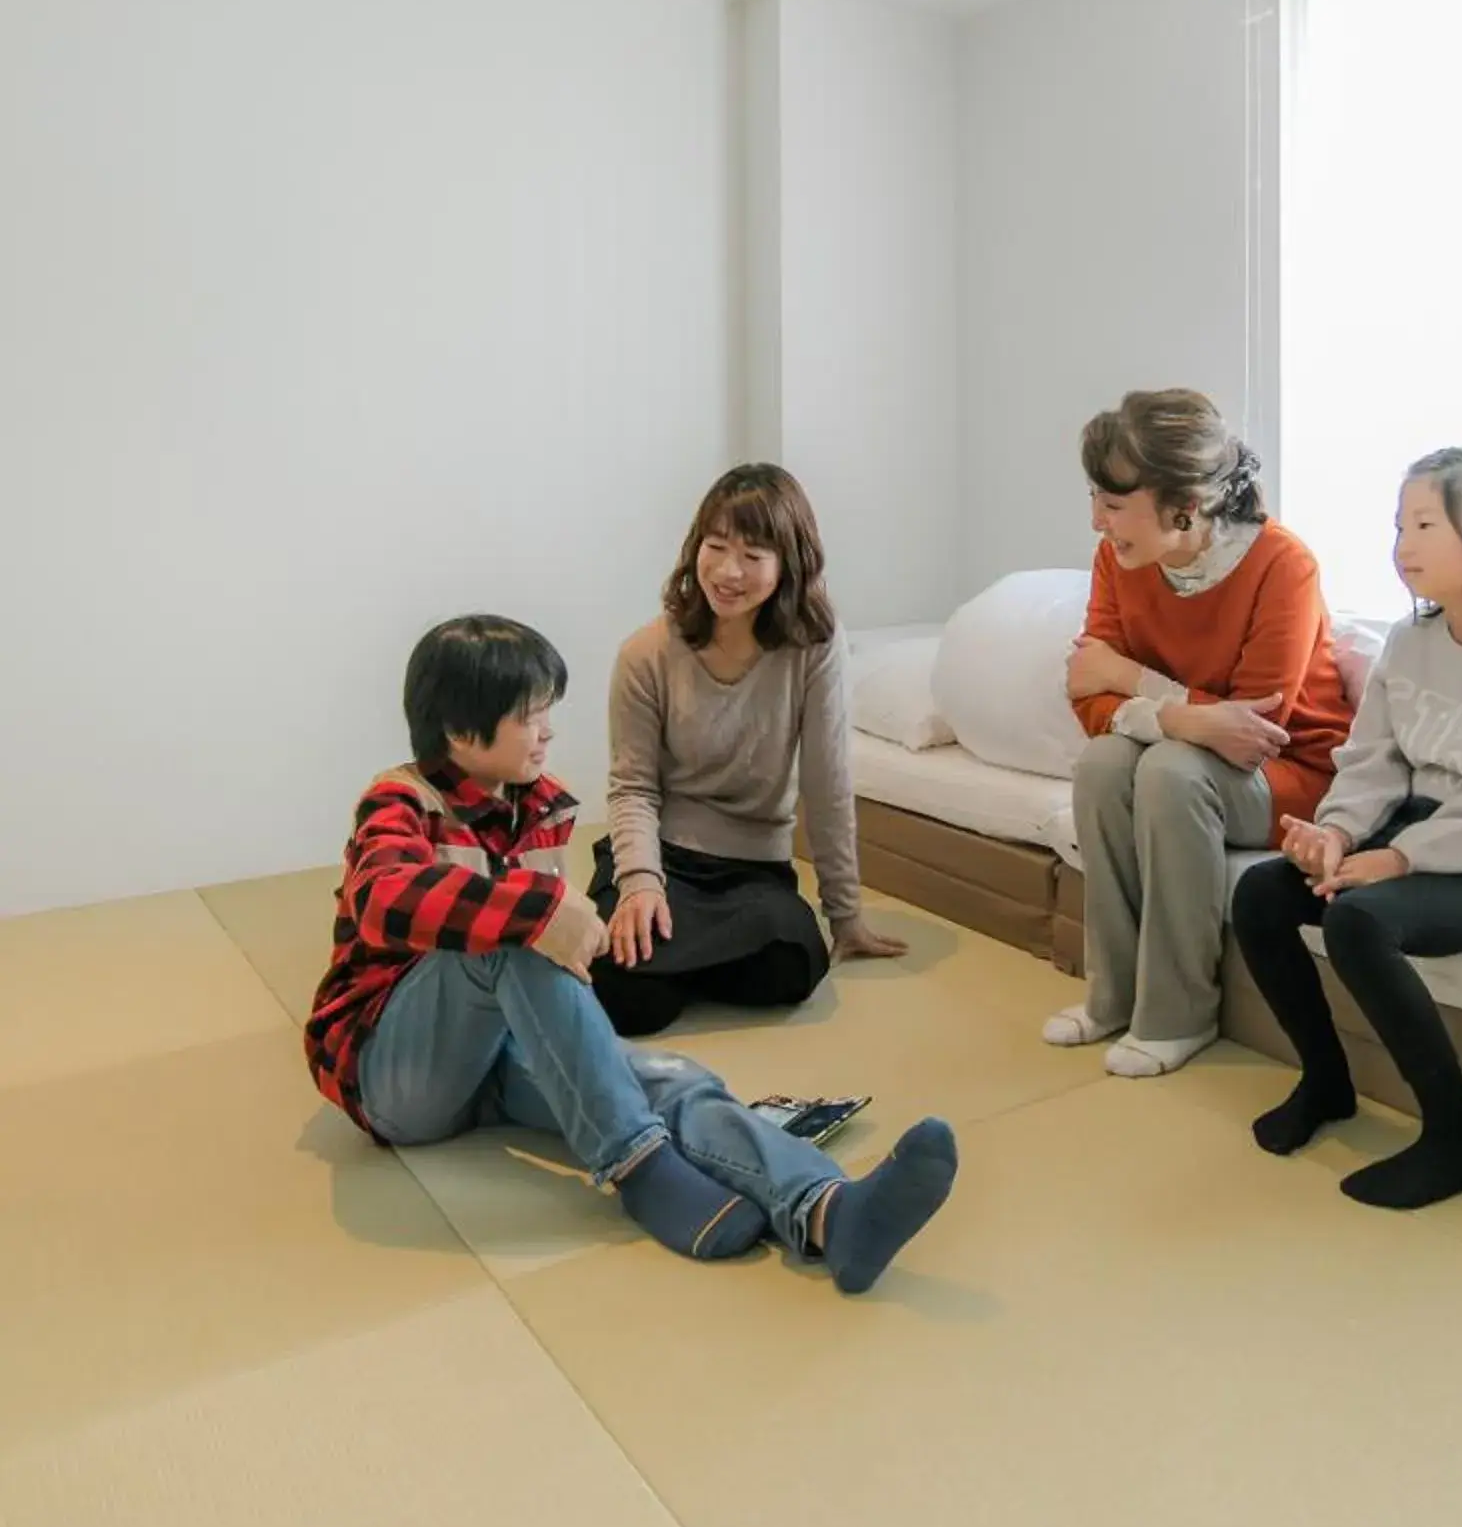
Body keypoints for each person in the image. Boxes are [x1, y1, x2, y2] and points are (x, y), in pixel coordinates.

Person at [304, 614, 956, 1290]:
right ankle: (637, 1167)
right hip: (395, 1075)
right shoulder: (399, 802)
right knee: (517, 933)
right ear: (463, 733)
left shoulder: (536, 806)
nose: (549, 730)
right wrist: (538, 913)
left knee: (665, 1080)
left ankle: (828, 1210)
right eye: (530, 717)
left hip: (493, 1061)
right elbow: (384, 897)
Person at [1231, 447, 1462, 1210]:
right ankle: (1327, 1083)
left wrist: (1401, 859)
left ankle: (1455, 1140)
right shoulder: (1410, 644)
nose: (1401, 546)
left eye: (1424, 525)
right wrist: (1338, 835)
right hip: (1417, 833)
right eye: (1398, 525)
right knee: (1264, 894)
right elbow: (1374, 758)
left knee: (1361, 922)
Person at [1043, 389, 1355, 1076]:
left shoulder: (1283, 564)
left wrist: (1136, 682)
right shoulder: (1117, 559)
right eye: (1095, 498)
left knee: (1170, 772)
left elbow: (1256, 729)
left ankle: (1179, 1015)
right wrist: (1181, 715)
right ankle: (1112, 997)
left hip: (1290, 779)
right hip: (1193, 751)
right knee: (1102, 765)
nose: (1098, 520)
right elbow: (1085, 692)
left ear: (1184, 505)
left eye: (1115, 504)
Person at [591, 465, 905, 1036]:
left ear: (789, 565)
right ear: (695, 550)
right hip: (662, 856)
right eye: (716, 547)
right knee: (626, 998)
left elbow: (826, 783)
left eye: (753, 555)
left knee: (795, 964)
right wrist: (639, 883)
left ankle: (671, 961)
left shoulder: (814, 646)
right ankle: (664, 955)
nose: (728, 572)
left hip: (751, 872)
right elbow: (632, 786)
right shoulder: (645, 654)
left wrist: (845, 913)